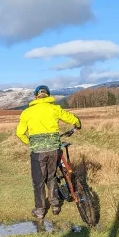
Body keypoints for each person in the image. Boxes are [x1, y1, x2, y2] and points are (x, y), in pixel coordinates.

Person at [15, 85, 81, 219]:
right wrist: (77, 124)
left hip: (38, 152)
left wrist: (31, 143)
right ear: (48, 95)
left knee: (38, 181)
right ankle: (55, 206)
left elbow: (20, 133)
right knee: (51, 177)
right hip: (54, 150)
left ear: (35, 97)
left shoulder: (27, 112)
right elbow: (72, 119)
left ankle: (40, 210)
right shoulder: (54, 108)